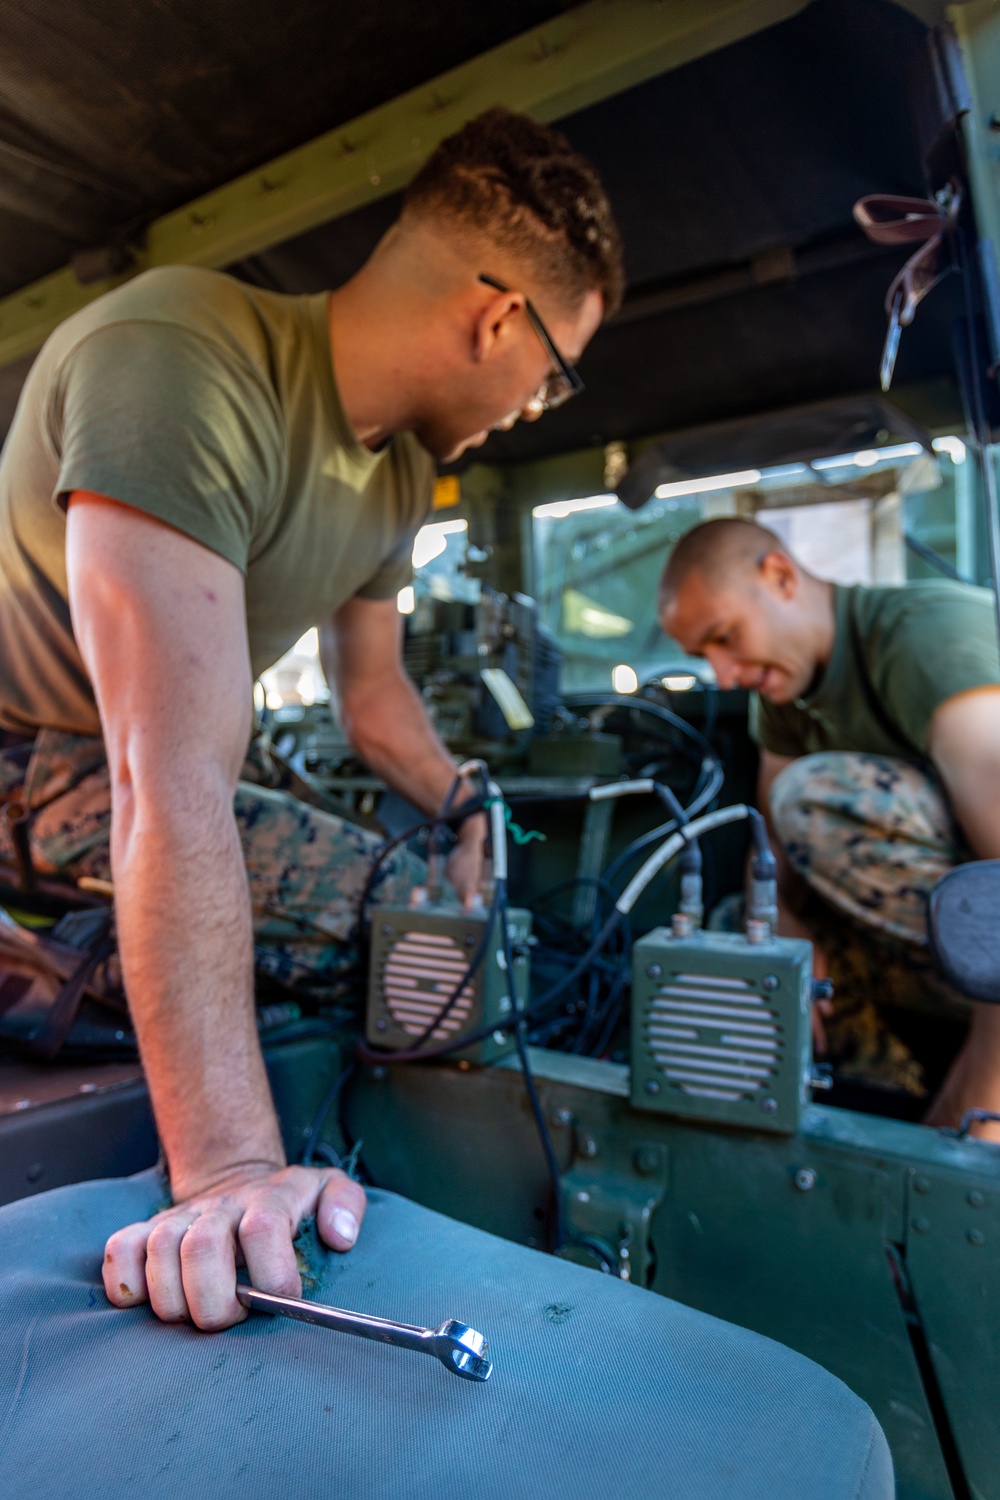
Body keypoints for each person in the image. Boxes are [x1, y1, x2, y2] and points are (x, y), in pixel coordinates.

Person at [0, 107, 624, 1328]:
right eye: (555, 373)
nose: (541, 403)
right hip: (31, 766)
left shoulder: (395, 472)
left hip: (121, 775)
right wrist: (228, 1168)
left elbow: (375, 701)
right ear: (500, 317)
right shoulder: (177, 354)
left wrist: (466, 809)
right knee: (387, 923)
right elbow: (165, 772)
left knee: (433, 916)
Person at [658, 516, 1000, 1138]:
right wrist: (788, 932)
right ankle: (877, 1103)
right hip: (950, 945)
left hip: (989, 938)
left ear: (781, 577)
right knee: (742, 931)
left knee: (815, 799)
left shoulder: (924, 637)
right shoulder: (785, 692)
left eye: (725, 637)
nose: (725, 675)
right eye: (703, 657)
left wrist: (974, 1109)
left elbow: (999, 902)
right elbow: (771, 854)